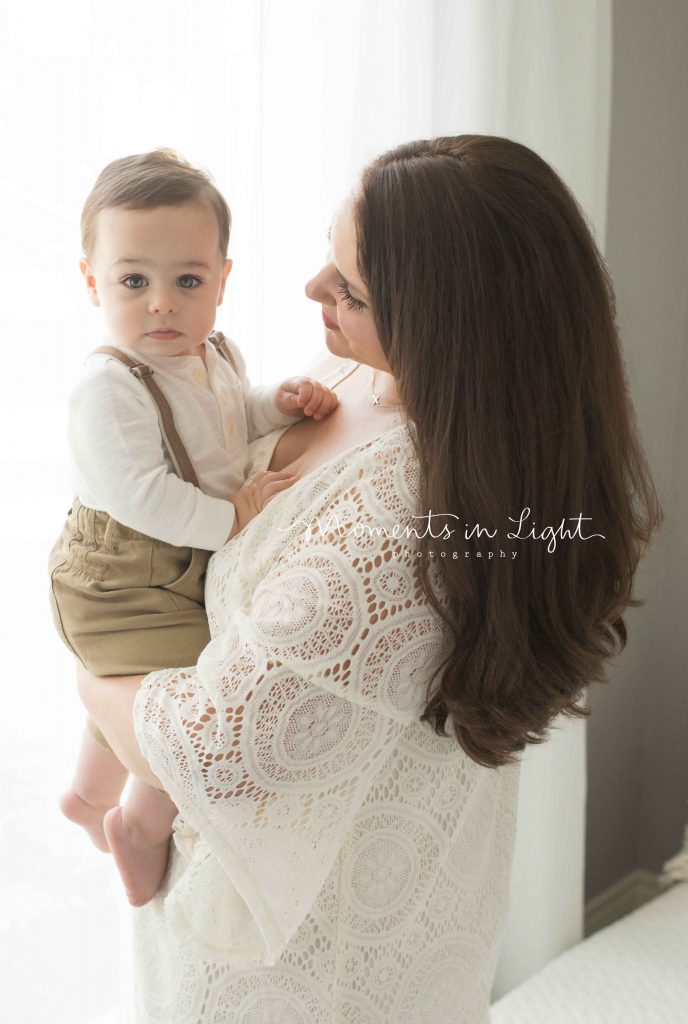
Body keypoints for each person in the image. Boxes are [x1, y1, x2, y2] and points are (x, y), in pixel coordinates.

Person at [76, 135, 662, 1023]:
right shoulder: (357, 372)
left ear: (446, 324)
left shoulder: (417, 507)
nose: (314, 288)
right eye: (332, 257)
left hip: (311, 966)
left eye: (350, 289)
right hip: (231, 895)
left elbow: (218, 747)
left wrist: (90, 670)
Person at [50, 149, 338, 908]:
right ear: (92, 282)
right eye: (133, 281)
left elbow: (225, 415)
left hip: (177, 559)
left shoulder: (211, 355)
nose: (162, 306)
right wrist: (234, 519)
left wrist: (280, 402)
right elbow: (140, 495)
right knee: (182, 697)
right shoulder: (106, 386)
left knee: (136, 685)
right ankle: (141, 823)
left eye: (188, 281)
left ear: (221, 280)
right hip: (123, 577)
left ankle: (87, 797)